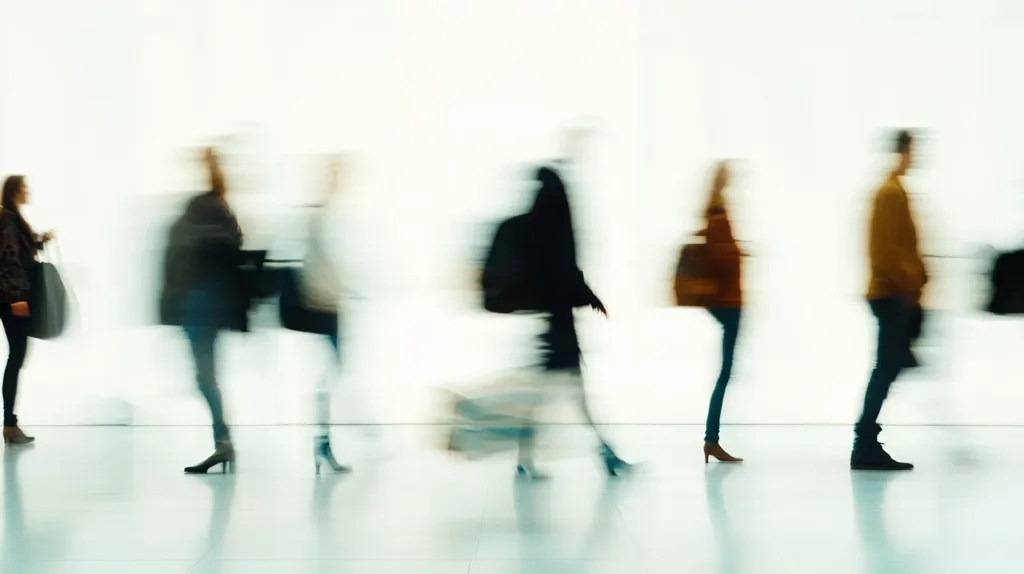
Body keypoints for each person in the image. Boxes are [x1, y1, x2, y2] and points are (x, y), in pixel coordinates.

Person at [516, 155, 631, 479]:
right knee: (572, 398)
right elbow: (566, 273)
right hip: (560, 330)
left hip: (551, 327)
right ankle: (606, 456)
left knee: (550, 399)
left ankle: (527, 460)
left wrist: (589, 298)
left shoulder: (536, 226)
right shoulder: (553, 228)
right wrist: (592, 299)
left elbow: (558, 274)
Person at [161, 148, 245, 473]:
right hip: (209, 302)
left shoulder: (201, 207)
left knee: (205, 376)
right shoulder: (221, 209)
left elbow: (182, 255)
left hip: (199, 303)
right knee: (206, 376)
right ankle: (223, 442)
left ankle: (223, 443)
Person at [852, 129, 926, 471]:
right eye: (914, 150)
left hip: (894, 292)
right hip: (892, 293)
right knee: (885, 368)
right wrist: (908, 285)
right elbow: (886, 251)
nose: (917, 157)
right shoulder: (890, 192)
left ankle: (866, 441)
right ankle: (865, 443)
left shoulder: (893, 190)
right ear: (903, 151)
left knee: (888, 366)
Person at [302, 155, 350, 474]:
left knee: (333, 372)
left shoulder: (326, 216)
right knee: (330, 373)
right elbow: (318, 266)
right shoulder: (320, 217)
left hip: (330, 303)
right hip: (325, 305)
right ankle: (323, 442)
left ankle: (324, 443)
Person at [0, 176, 53, 446]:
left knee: (17, 357)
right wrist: (18, 298)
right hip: (12, 299)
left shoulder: (13, 218)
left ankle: (10, 423)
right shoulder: (7, 218)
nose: (28, 192)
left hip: (12, 297)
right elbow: (9, 260)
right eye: (25, 188)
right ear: (15, 191)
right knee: (16, 357)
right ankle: (9, 424)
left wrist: (39, 240)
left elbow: (20, 251)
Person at [701, 161, 744, 464]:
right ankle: (711, 440)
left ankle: (711, 440)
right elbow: (719, 256)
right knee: (726, 372)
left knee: (727, 372)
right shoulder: (717, 213)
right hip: (728, 303)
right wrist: (737, 252)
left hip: (728, 302)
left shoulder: (715, 210)